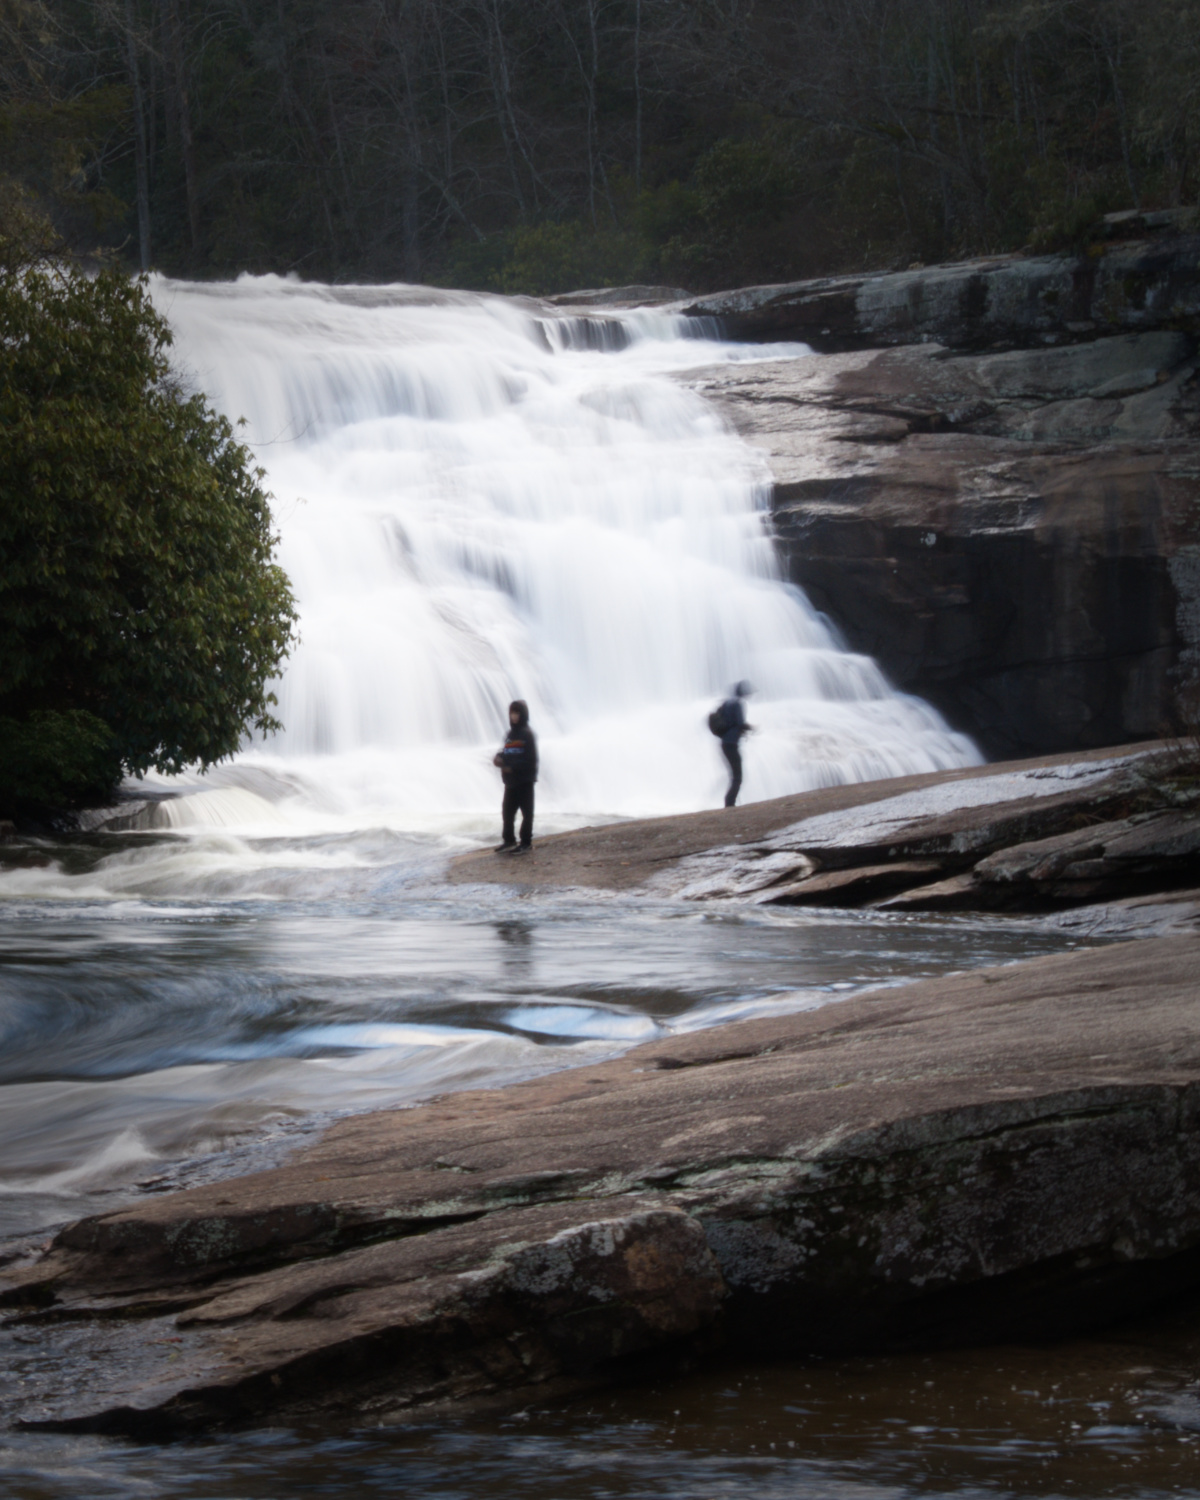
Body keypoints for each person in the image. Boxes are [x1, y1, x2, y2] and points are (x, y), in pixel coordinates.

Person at [493, 699, 538, 853]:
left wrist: (512, 768)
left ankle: (526, 843)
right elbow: (506, 753)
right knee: (507, 812)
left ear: (523, 714)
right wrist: (499, 758)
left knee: (527, 813)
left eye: (517, 713)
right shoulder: (510, 735)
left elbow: (531, 760)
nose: (514, 716)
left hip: (525, 782)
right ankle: (509, 840)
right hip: (510, 783)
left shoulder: (527, 735)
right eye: (512, 713)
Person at [712, 680, 753, 807]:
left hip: (725, 743)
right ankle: (730, 804)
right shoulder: (738, 704)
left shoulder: (726, 703)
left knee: (734, 775)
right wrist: (750, 728)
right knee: (737, 777)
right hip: (731, 743)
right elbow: (740, 723)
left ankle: (730, 803)